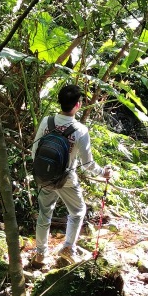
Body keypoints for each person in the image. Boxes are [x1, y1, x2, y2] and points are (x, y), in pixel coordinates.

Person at [30, 84, 111, 268]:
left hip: (44, 177)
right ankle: (67, 248)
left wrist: (44, 171)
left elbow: (35, 151)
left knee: (44, 215)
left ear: (60, 102)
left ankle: (40, 254)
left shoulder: (46, 121)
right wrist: (103, 173)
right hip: (66, 180)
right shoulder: (80, 130)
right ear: (77, 105)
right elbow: (88, 164)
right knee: (78, 211)